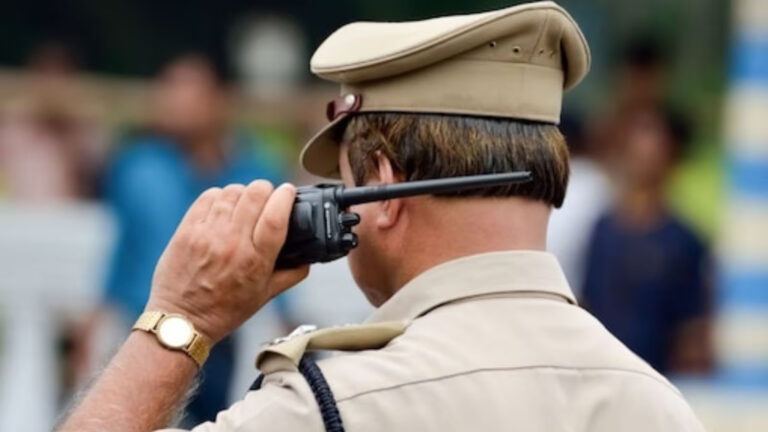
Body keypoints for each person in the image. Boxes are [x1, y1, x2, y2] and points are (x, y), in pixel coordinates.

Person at [58, 3, 705, 431]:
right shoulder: (661, 408)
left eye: (343, 182)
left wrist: (181, 320)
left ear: (384, 191)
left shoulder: (330, 407)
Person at [79, 54, 284, 425]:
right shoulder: (137, 168)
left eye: (189, 89)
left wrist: (285, 319)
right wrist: (94, 322)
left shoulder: (256, 170)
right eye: (169, 89)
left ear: (218, 99)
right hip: (141, 328)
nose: (176, 101)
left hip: (227, 333)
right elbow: (120, 252)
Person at [581, 108, 713, 375]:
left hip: (660, 381)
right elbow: (588, 306)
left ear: (671, 158)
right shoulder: (602, 230)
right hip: (602, 375)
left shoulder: (685, 241)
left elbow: (693, 332)